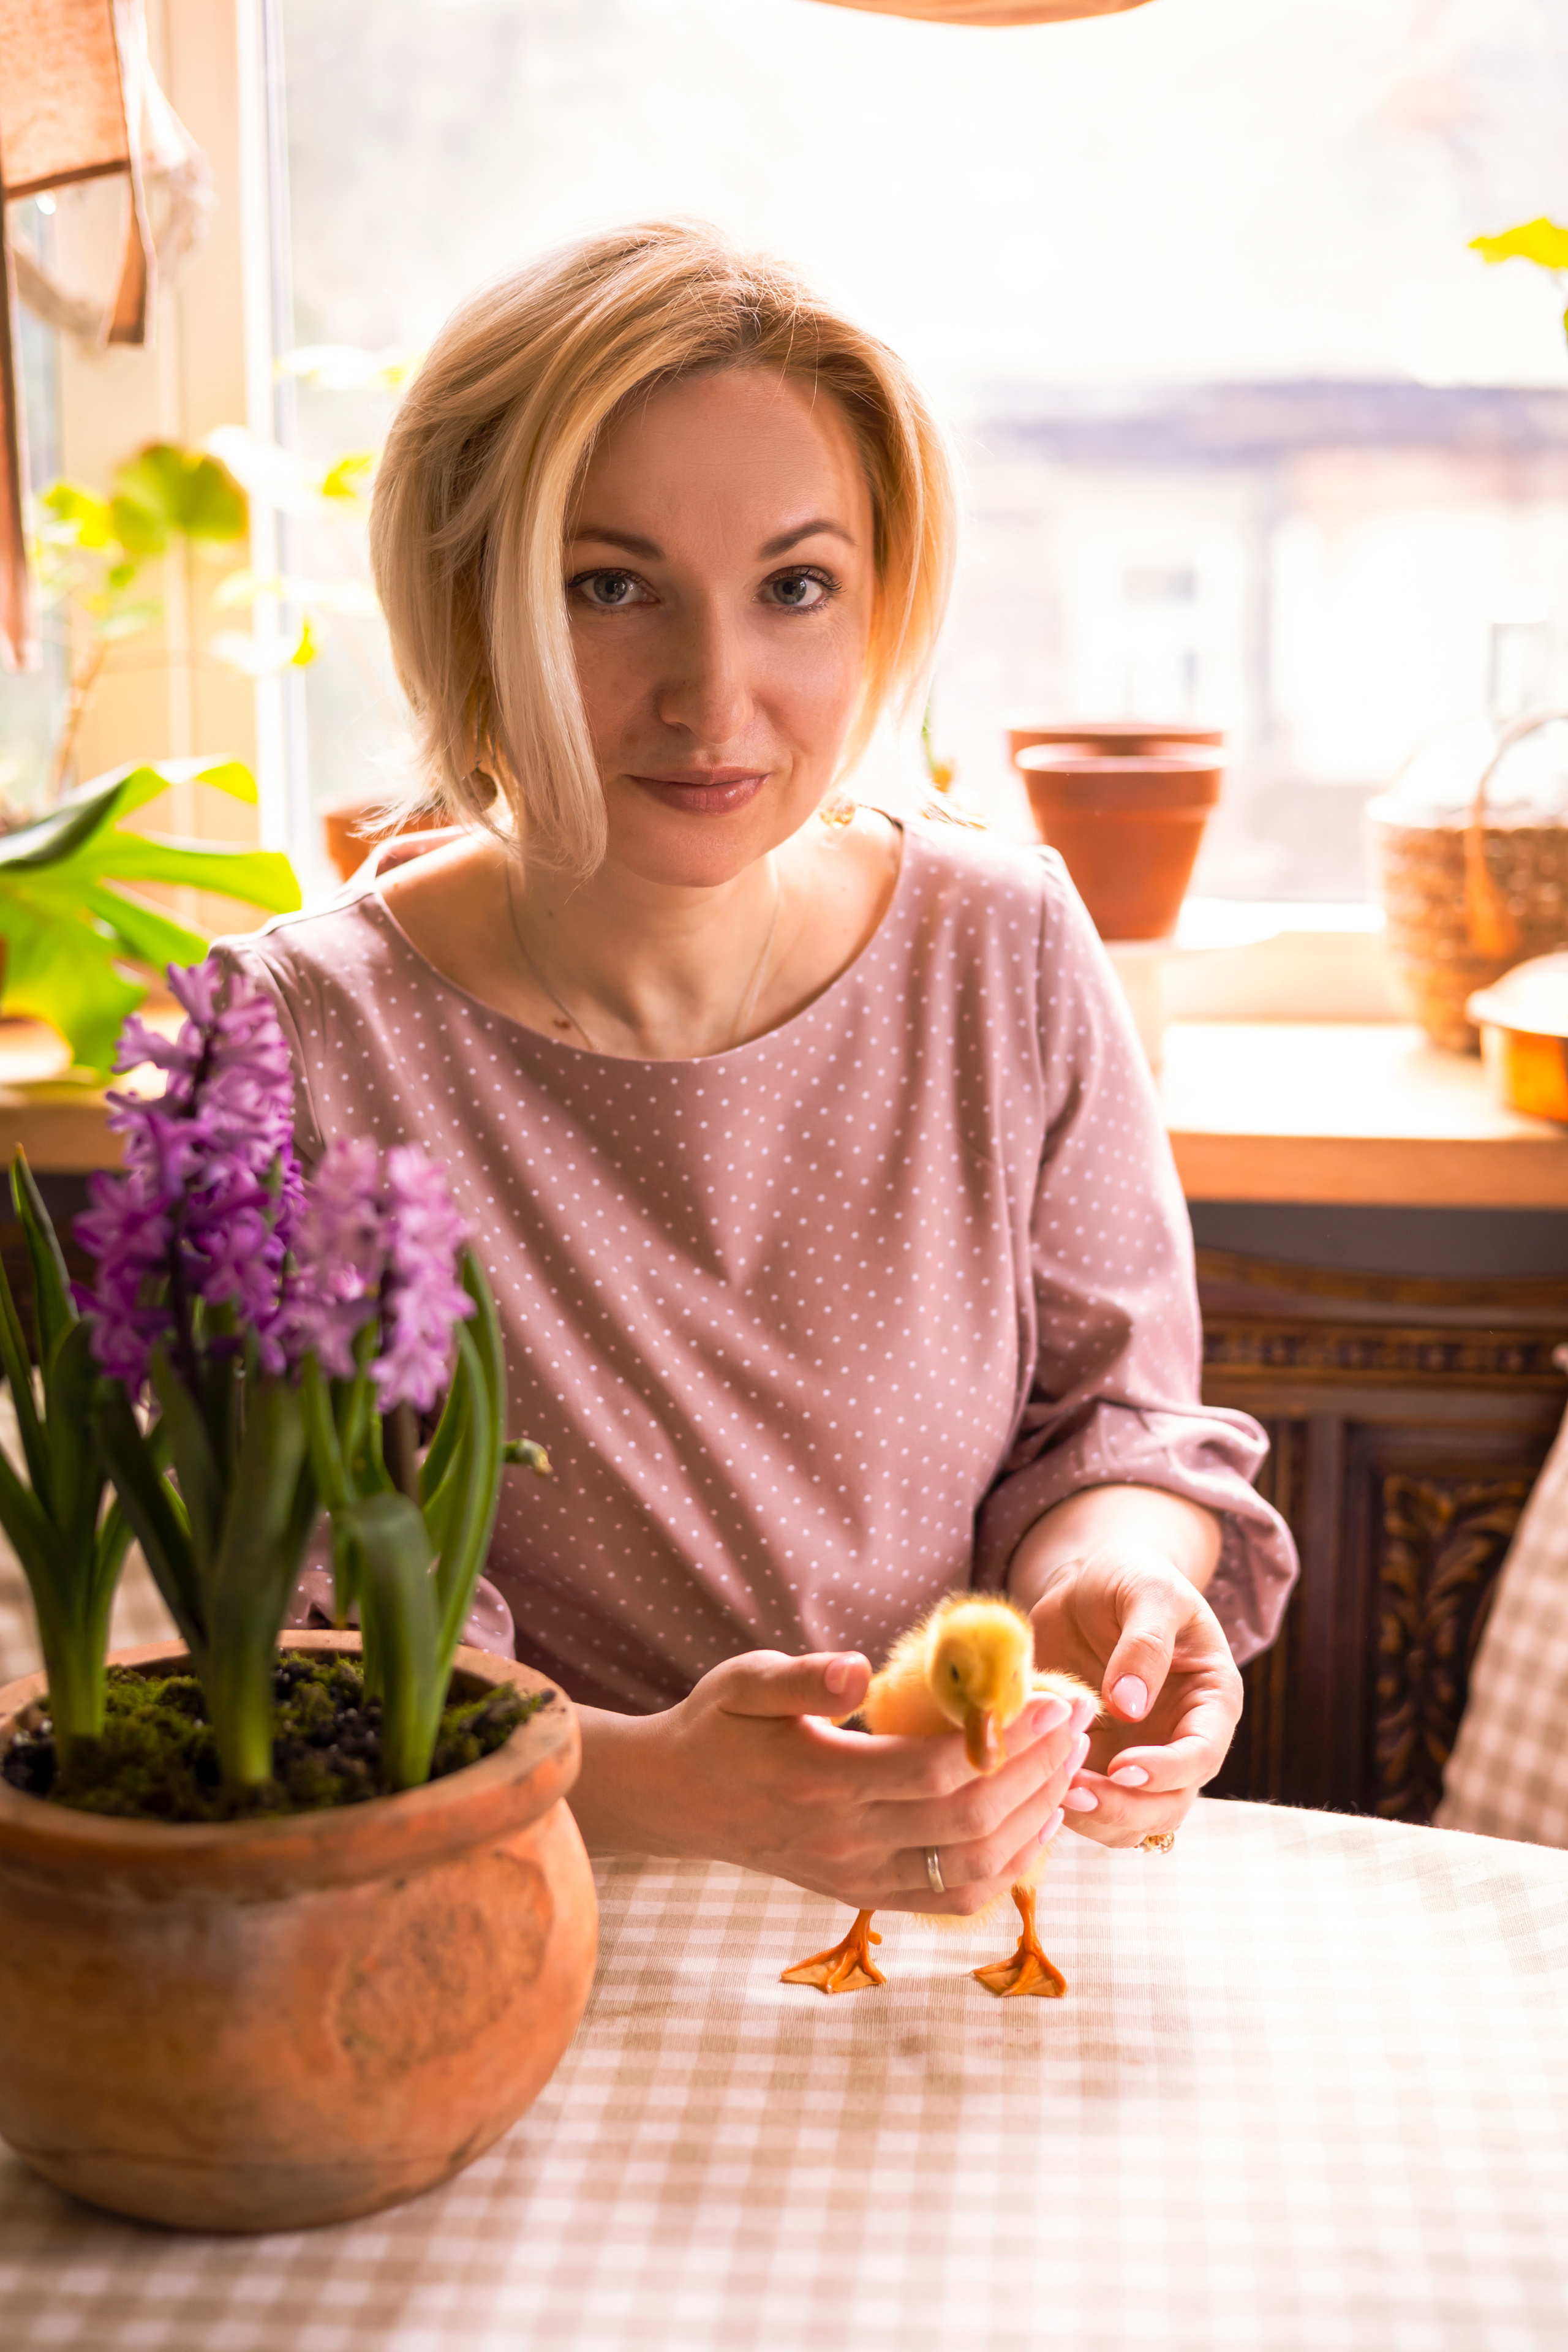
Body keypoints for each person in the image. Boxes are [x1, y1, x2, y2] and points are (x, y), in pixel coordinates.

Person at [222, 221, 1296, 1923]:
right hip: (506, 1905)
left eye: (795, 587)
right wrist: (656, 1785)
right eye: (609, 586)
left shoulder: (1003, 946)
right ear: (465, 596)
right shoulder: (296, 1045)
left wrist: (1115, 1579)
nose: (711, 701)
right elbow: (315, 1639)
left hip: (963, 1892)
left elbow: (1120, 1425)